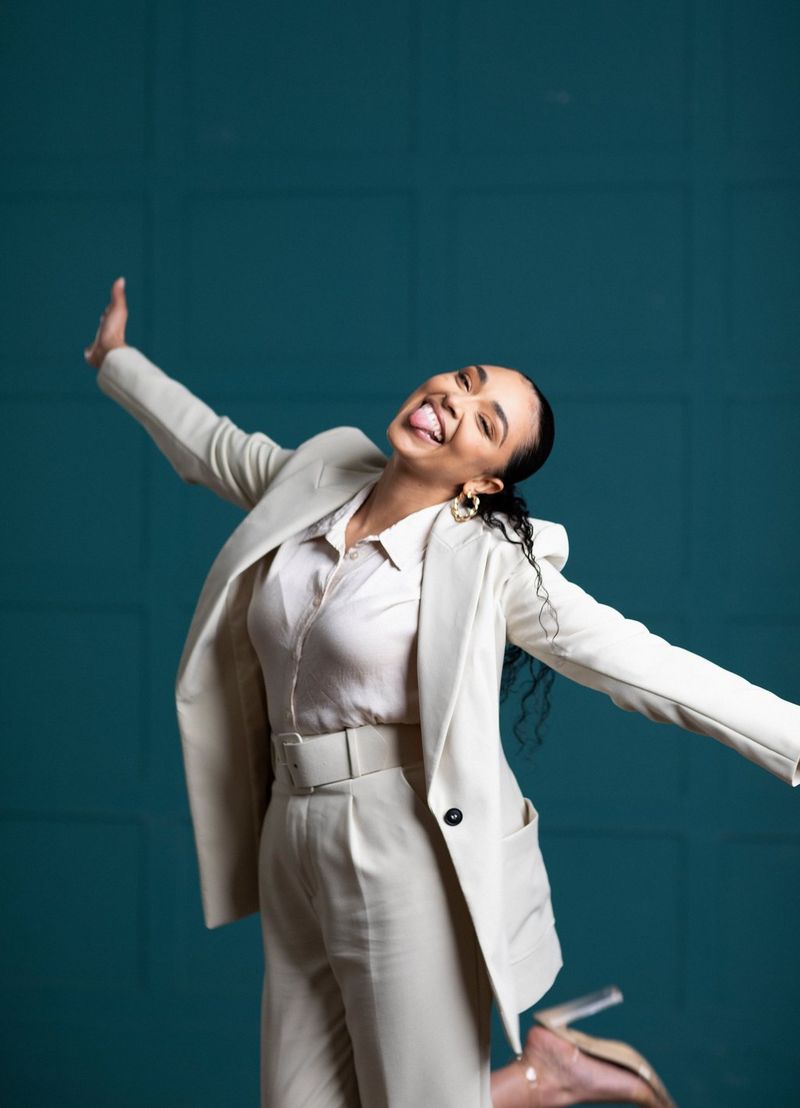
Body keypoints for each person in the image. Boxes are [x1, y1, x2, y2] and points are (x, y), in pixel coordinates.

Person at [85, 277, 798, 1108]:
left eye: (486, 420)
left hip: (403, 842)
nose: (454, 400)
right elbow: (214, 446)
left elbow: (649, 668)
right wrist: (117, 359)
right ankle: (546, 1072)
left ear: (487, 481)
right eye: (463, 379)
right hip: (291, 827)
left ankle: (542, 1076)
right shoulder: (322, 474)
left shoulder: (489, 565)